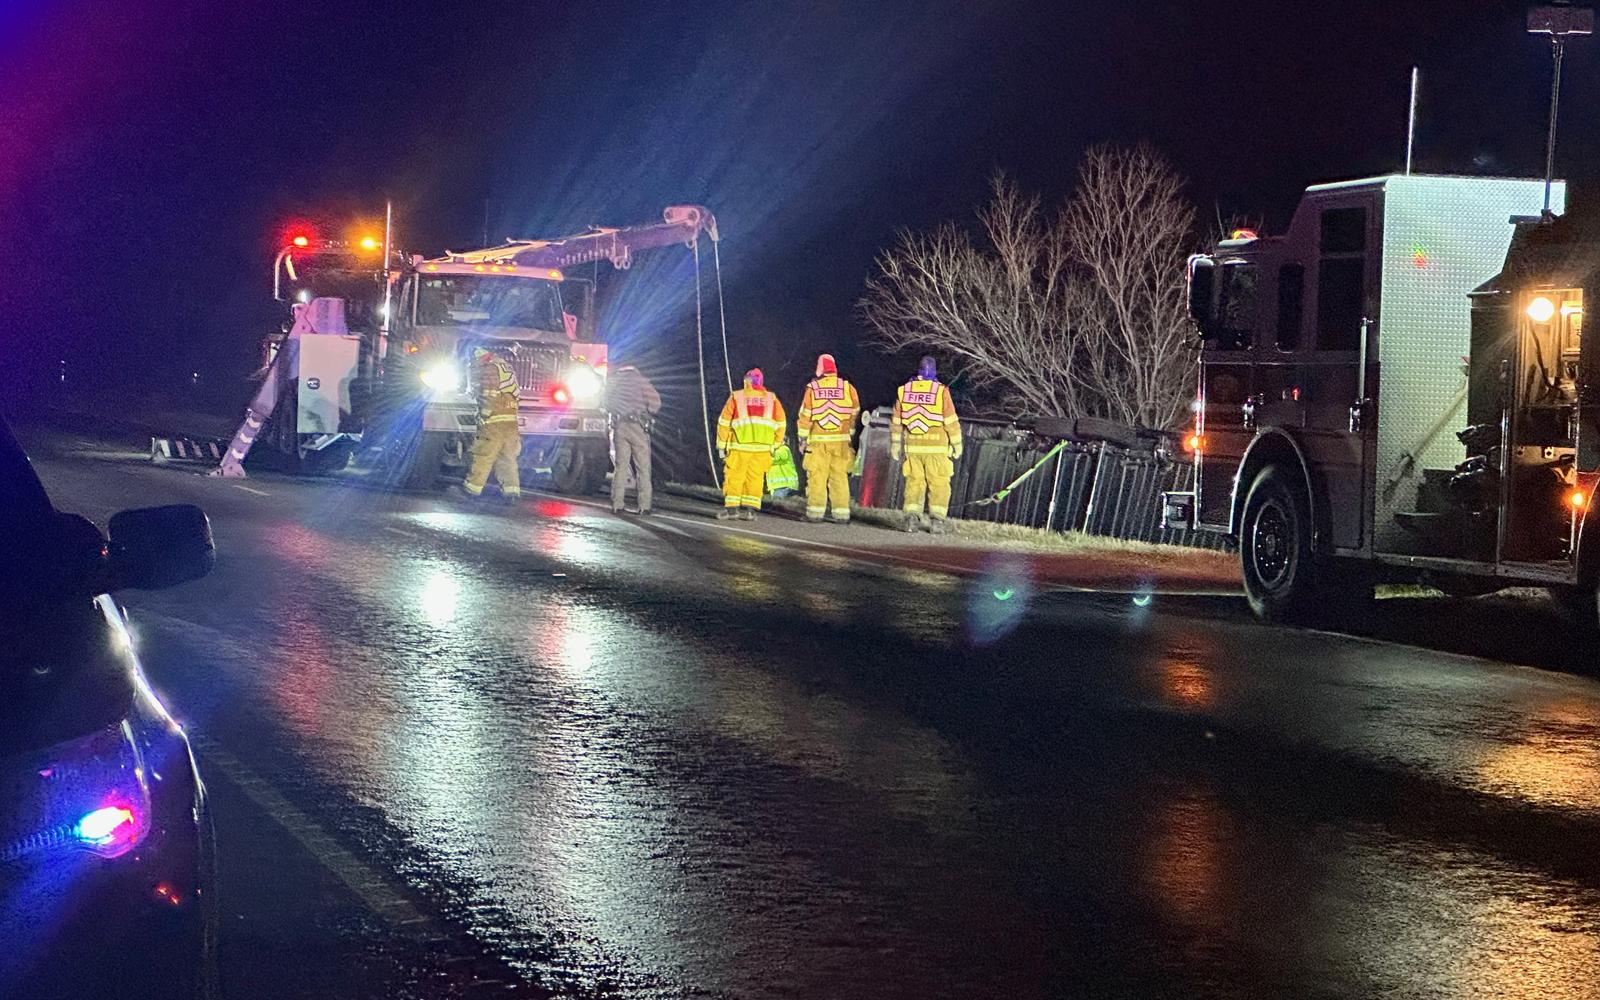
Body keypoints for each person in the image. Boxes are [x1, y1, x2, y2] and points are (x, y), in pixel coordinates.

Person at [890, 355, 962, 532]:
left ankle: (911, 520)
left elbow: (897, 420)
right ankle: (937, 522)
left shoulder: (904, 390)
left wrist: (895, 444)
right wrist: (957, 443)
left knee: (914, 484)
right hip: (937, 449)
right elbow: (950, 420)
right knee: (939, 484)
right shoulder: (941, 391)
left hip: (913, 448)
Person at [451, 346, 522, 504]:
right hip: (510, 420)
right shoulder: (505, 366)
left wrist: (483, 416)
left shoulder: (489, 369)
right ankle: (511, 492)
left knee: (483, 455)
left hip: (493, 422)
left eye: (476, 362)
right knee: (508, 457)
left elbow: (489, 395)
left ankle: (472, 489)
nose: (476, 365)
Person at [795, 353, 861, 523]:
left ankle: (815, 513)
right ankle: (842, 515)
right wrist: (849, 434)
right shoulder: (848, 388)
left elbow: (805, 417)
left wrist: (802, 440)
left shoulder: (813, 389)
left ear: (820, 368)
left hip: (819, 442)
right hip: (840, 442)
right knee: (839, 476)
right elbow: (855, 413)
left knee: (817, 476)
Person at [715, 368, 786, 520]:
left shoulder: (737, 396)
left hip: (739, 446)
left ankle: (732, 511)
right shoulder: (771, 398)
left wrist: (722, 444)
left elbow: (724, 422)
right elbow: (781, 423)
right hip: (763, 448)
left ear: (747, 380)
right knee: (755, 479)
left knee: (734, 477)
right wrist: (776, 444)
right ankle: (750, 512)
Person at [604, 363, 662, 515]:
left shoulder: (615, 382)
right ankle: (644, 506)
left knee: (621, 467)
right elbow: (656, 403)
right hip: (638, 428)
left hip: (620, 427)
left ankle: (617, 504)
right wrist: (648, 412)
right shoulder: (641, 381)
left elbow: (606, 403)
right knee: (643, 468)